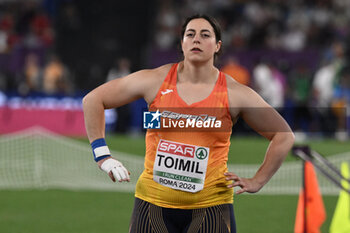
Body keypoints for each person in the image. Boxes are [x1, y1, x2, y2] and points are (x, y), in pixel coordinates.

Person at [83, 14, 295, 233]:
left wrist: (258, 181)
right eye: (190, 34)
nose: (196, 40)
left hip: (211, 208)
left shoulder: (234, 94)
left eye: (205, 35)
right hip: (152, 205)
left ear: (217, 45)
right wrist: (103, 156)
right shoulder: (155, 81)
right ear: (181, 43)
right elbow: (93, 100)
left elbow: (283, 136)